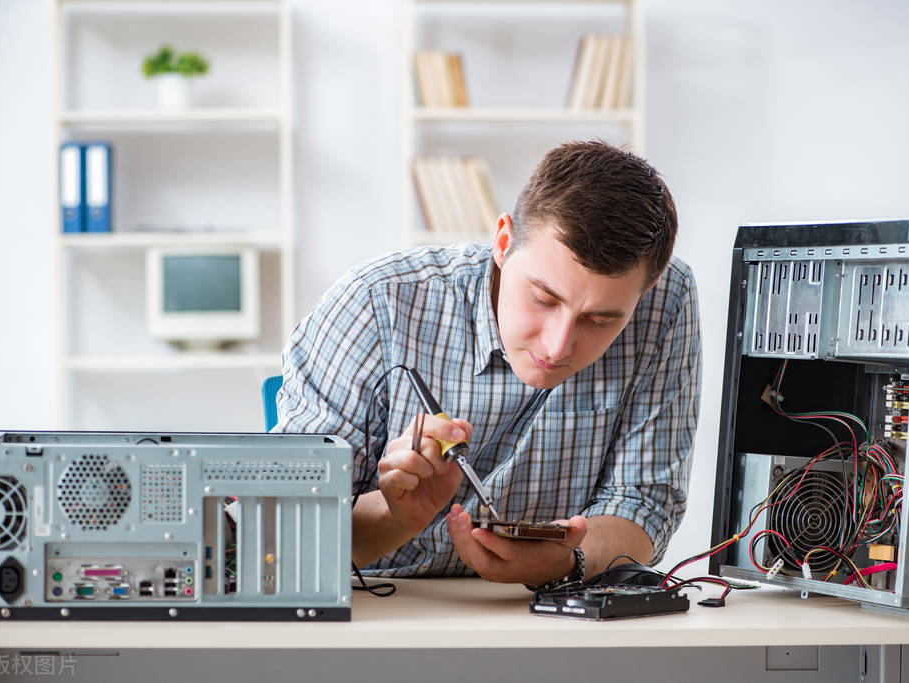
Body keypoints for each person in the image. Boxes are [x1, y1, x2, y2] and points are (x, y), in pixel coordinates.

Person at [275, 140, 701, 589]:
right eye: (543, 298)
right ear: (502, 241)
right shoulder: (376, 302)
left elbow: (645, 502)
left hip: (553, 615)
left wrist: (568, 561)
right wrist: (396, 514)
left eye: (599, 320)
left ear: (648, 289)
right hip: (383, 607)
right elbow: (283, 529)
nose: (557, 347)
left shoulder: (666, 302)